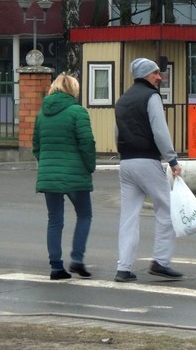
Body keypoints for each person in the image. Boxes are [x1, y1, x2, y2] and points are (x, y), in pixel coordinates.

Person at [113, 57, 183, 283]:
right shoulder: (151, 97)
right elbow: (160, 131)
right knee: (167, 209)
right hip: (147, 161)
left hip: (126, 163)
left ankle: (123, 268)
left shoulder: (122, 100)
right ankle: (161, 262)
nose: (159, 77)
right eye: (156, 73)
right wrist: (172, 160)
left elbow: (117, 134)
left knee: (128, 217)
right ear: (146, 75)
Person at [33, 73, 96, 281]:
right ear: (73, 90)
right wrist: (89, 166)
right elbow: (86, 143)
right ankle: (77, 259)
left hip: (49, 174)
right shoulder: (78, 112)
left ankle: (56, 267)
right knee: (84, 215)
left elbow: (37, 146)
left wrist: (46, 166)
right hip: (75, 174)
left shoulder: (42, 114)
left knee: (55, 220)